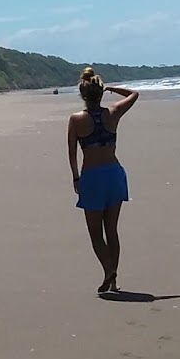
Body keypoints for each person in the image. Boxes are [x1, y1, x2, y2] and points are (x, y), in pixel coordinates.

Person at [66, 67, 139, 294]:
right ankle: (114, 280)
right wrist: (112, 88)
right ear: (99, 93)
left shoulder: (76, 119)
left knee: (96, 234)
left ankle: (109, 271)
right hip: (114, 174)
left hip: (93, 178)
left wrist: (76, 177)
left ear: (82, 94)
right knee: (112, 231)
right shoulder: (113, 113)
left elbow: (71, 152)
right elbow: (133, 95)